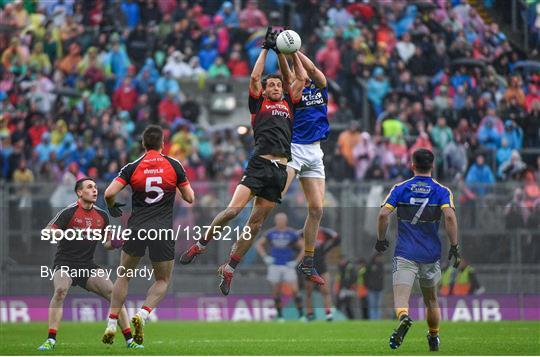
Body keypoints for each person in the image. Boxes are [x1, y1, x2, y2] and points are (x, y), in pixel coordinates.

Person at [178, 28, 310, 295]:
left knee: (256, 225)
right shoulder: (258, 104)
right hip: (258, 165)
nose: (274, 87)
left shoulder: (290, 104)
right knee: (232, 211)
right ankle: (201, 244)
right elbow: (254, 76)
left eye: (277, 85)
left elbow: (302, 77)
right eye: (270, 85)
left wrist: (285, 52)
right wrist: (266, 48)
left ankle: (229, 268)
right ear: (264, 90)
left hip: (279, 171)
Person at [102, 125, 194, 345]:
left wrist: (112, 206)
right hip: (161, 229)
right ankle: (142, 315)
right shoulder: (174, 165)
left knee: (124, 275)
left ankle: (112, 324)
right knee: (162, 279)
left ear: (143, 144)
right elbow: (190, 198)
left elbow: (109, 193)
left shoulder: (132, 167)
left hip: (136, 228)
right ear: (163, 143)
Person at [37, 178, 142, 350]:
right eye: (89, 187)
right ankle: (51, 340)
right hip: (65, 263)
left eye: (95, 187)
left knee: (114, 293)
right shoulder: (69, 212)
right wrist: (57, 234)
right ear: (79, 192)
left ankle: (130, 341)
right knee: (60, 291)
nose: (95, 190)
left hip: (87, 265)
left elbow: (106, 244)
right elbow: (49, 230)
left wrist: (116, 242)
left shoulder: (102, 216)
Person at [376, 148, 461, 351]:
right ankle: (433, 337)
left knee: (401, 299)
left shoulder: (400, 188)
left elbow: (382, 215)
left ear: (412, 165)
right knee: (431, 300)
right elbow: (449, 217)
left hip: (405, 252)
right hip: (431, 255)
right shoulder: (442, 191)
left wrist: (381, 239)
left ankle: (404, 318)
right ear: (432, 166)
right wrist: (455, 246)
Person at [277, 48, 331, 287]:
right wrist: (284, 53)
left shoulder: (320, 86)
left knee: (317, 209)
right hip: (295, 149)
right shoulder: (294, 91)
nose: (306, 74)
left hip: (315, 152)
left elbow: (311, 70)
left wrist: (295, 50)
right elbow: (289, 76)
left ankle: (307, 261)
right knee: (275, 196)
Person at [255, 213, 305, 321]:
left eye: (283, 220)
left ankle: (301, 315)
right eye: (279, 219)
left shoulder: (291, 233)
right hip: (275, 265)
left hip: (288, 265)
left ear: (286, 221)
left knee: (295, 290)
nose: (281, 221)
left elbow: (303, 247)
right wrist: (265, 257)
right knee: (276, 292)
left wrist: (296, 261)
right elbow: (258, 244)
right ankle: (280, 316)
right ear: (276, 221)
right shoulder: (271, 233)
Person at [301, 227, 340, 321]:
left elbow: (337, 238)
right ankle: (310, 314)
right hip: (309, 265)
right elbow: (294, 238)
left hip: (321, 265)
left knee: (325, 290)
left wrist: (326, 249)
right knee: (309, 291)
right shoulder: (305, 231)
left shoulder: (324, 232)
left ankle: (328, 314)